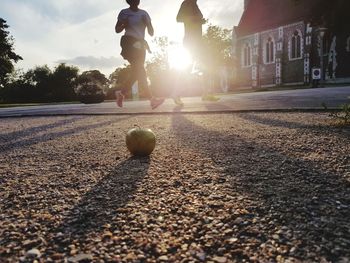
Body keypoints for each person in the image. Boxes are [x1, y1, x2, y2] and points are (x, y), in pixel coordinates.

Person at [115, 0, 164, 109]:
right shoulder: (124, 12)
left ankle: (121, 93)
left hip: (141, 45)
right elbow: (117, 30)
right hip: (129, 42)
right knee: (140, 70)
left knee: (137, 72)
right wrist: (124, 25)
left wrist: (147, 23)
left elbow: (151, 33)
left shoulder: (144, 14)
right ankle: (152, 99)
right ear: (129, 1)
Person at [175, 0, 219, 105]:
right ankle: (176, 93)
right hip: (191, 40)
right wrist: (195, 19)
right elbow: (178, 18)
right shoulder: (186, 3)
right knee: (188, 68)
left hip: (199, 41)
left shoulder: (195, 4)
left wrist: (200, 21)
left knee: (207, 66)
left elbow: (196, 20)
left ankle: (206, 93)